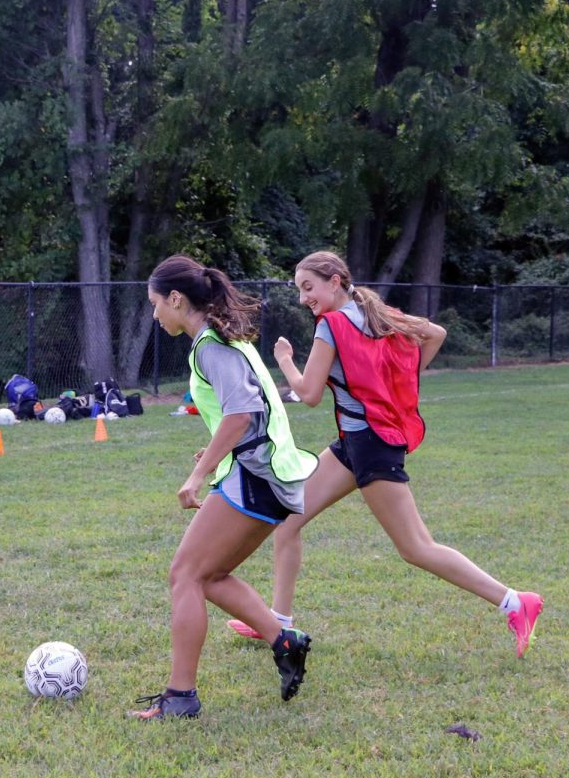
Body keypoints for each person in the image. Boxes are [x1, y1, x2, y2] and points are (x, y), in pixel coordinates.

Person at [226, 250, 543, 657]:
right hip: (354, 445)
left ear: (335, 281)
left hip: (373, 447)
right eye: (299, 290)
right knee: (288, 520)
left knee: (416, 548)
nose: (304, 298)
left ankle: (517, 602)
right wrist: (401, 384)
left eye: (309, 287)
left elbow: (307, 394)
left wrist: (285, 360)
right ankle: (279, 625)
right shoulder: (371, 310)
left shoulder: (333, 324)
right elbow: (437, 333)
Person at [130, 255, 320, 721]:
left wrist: (199, 474)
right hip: (266, 473)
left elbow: (239, 414)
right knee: (208, 576)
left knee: (186, 575)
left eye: (157, 305)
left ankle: (180, 698)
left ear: (176, 299)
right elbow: (247, 413)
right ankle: (284, 641)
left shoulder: (211, 346)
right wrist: (215, 454)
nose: (155, 315)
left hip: (258, 476)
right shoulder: (222, 338)